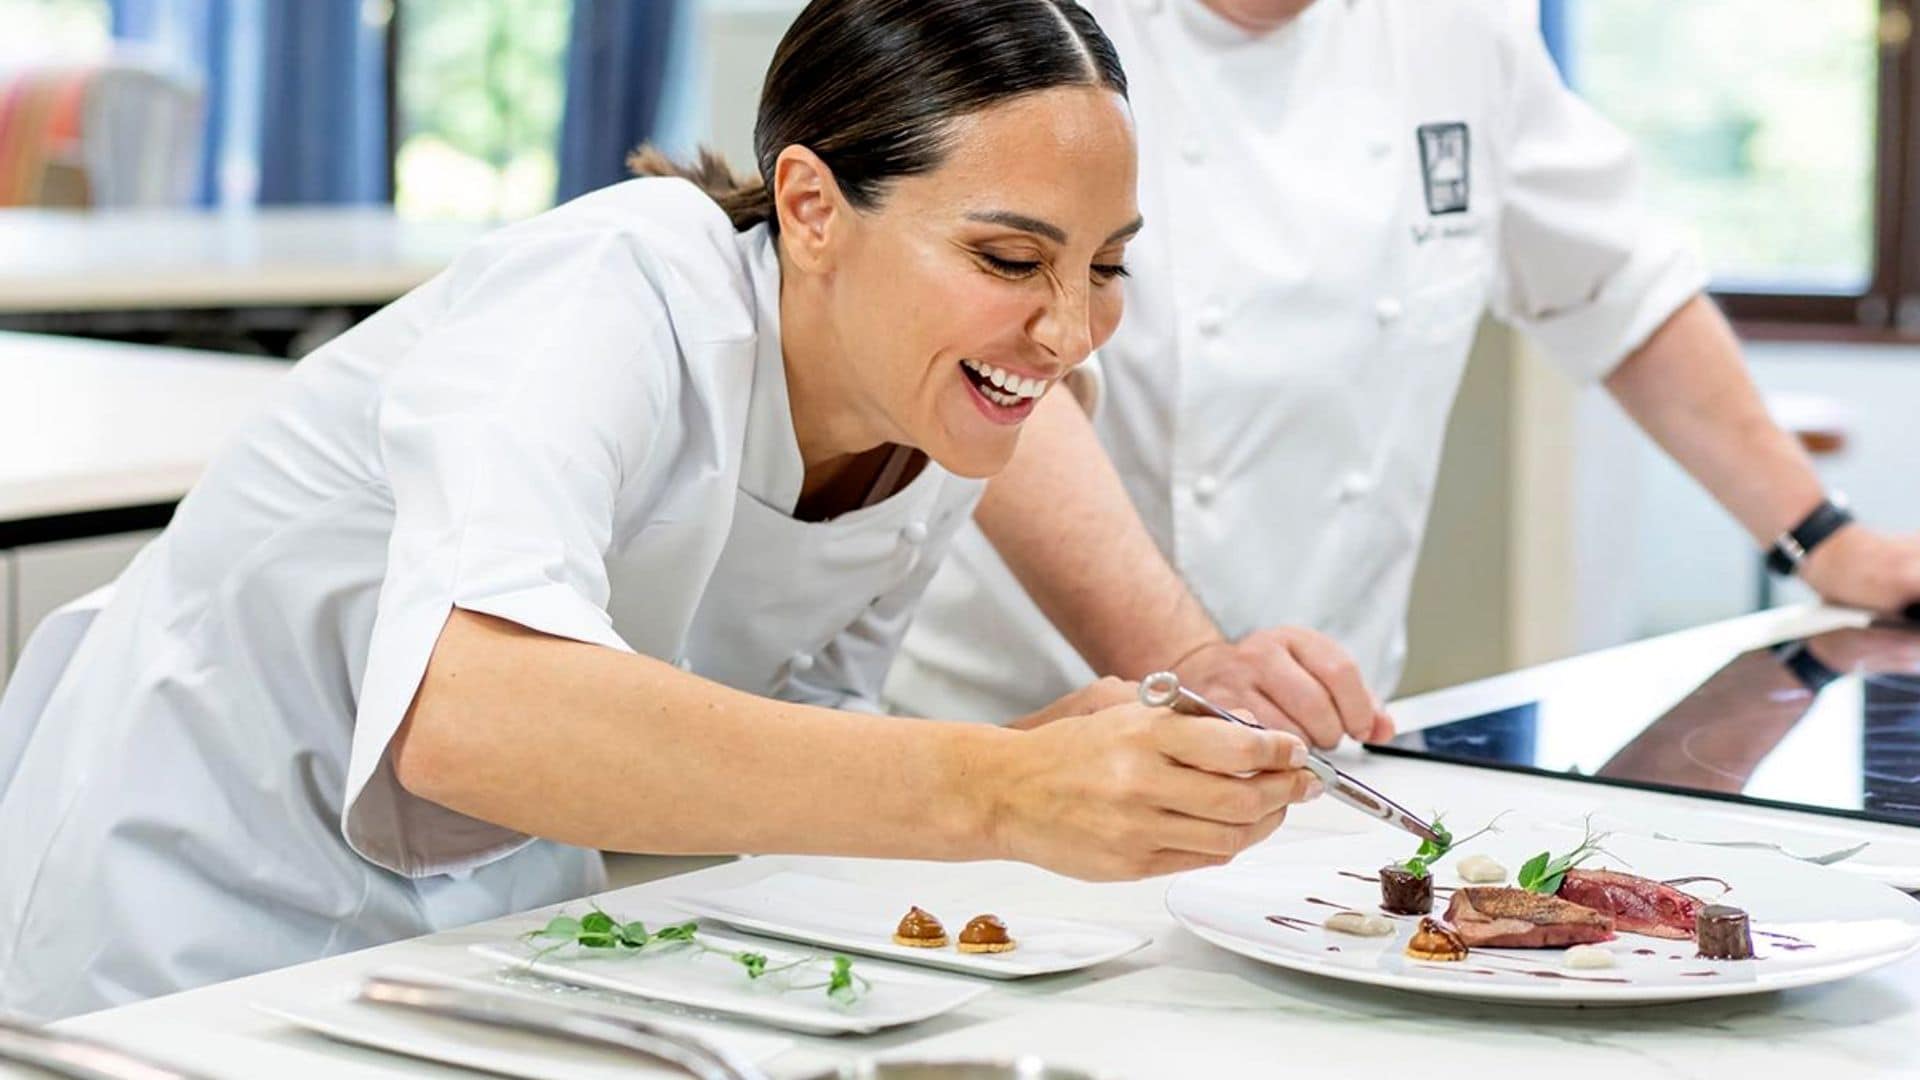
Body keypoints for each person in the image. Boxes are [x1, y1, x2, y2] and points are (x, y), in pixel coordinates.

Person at [0, 0, 1323, 1021]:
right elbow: (468, 722)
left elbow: (745, 774)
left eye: (1107, 265)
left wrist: (1035, 758)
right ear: (811, 206)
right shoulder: (615, 291)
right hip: (190, 929)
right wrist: (994, 788)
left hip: (474, 949)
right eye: (1008, 256)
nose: (1069, 327)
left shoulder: (928, 418)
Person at [888, 0, 1920, 744]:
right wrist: (1203, 672)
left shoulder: (1461, 31)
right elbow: (1005, 361)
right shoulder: (1019, 25)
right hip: (1014, 729)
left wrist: (1825, 542)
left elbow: (1621, 290)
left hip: (1325, 743)